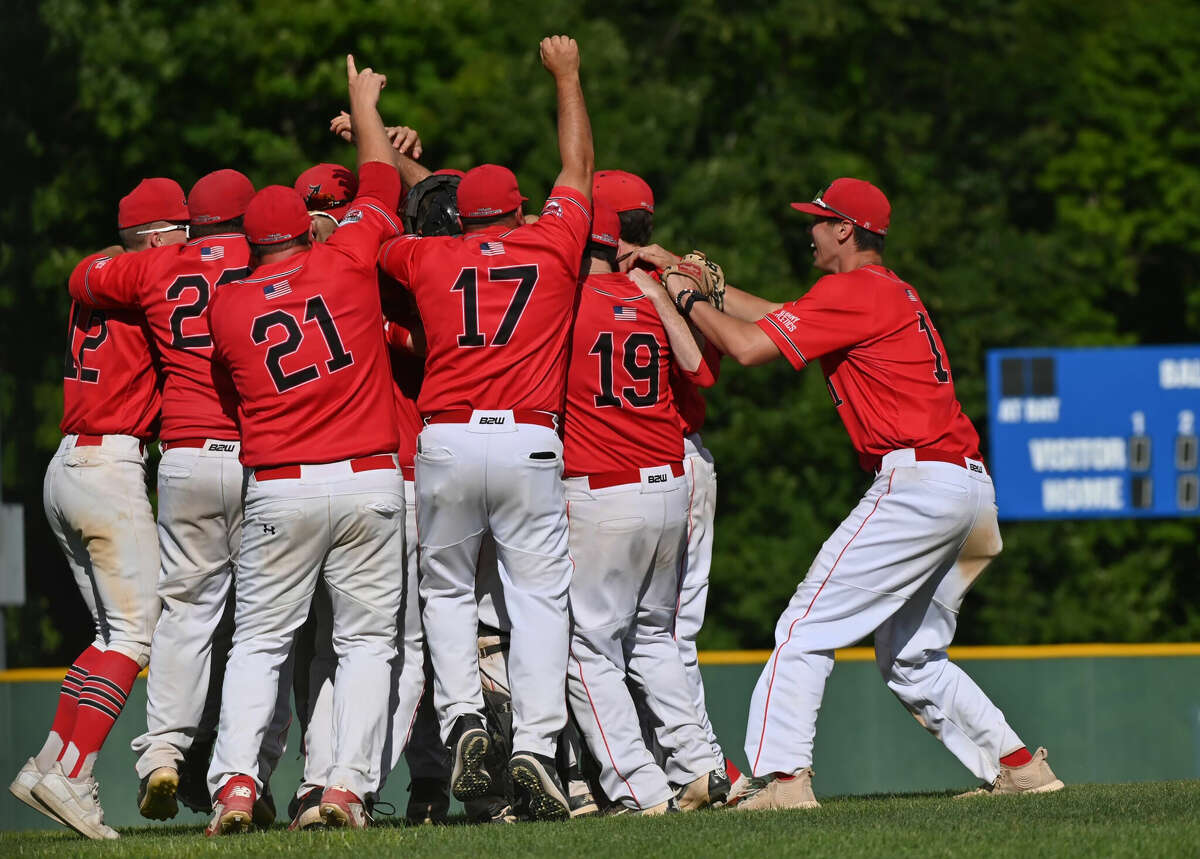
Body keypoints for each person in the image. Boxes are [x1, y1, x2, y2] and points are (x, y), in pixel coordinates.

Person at [634, 177, 1064, 810]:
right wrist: (697, 282)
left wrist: (684, 298)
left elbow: (750, 347)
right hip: (967, 488)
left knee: (803, 628)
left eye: (817, 221)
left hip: (919, 485)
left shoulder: (854, 290)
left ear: (844, 230)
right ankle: (1018, 765)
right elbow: (784, 318)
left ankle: (783, 780)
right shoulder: (883, 291)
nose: (808, 230)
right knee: (911, 654)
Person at [375, 34, 593, 821]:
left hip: (447, 440)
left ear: (459, 216)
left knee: (445, 590)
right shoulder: (553, 242)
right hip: (532, 440)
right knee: (539, 604)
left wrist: (374, 129)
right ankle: (535, 743)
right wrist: (567, 76)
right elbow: (576, 170)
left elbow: (381, 220)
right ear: (521, 209)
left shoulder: (428, 258)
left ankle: (465, 716)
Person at [203, 54, 412, 834]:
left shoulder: (229, 305)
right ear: (308, 227)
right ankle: (344, 791)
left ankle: (235, 787)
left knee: (258, 642)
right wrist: (363, 104)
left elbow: (230, 389)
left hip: (280, 483)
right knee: (363, 645)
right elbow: (381, 184)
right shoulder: (350, 258)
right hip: (367, 477)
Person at [67, 166, 290, 824]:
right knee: (262, 631)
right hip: (257, 457)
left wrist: (126, 250)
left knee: (185, 618)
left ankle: (161, 751)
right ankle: (248, 776)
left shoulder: (158, 264)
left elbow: (81, 277)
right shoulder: (265, 256)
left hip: (186, 454)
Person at [8, 179, 186, 840]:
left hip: (70, 462)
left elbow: (100, 268)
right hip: (108, 463)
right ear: (162, 235)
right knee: (137, 633)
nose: (190, 243)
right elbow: (160, 270)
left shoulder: (106, 272)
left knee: (112, 634)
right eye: (182, 231)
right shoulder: (147, 272)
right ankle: (75, 770)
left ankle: (52, 761)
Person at [562, 204, 722, 815]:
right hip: (668, 483)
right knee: (654, 637)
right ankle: (699, 764)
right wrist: (654, 289)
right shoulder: (646, 290)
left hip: (604, 487)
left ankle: (639, 786)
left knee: (588, 647)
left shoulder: (564, 298)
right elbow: (699, 372)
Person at [597, 170, 732, 781]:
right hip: (669, 467)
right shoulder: (675, 279)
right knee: (658, 633)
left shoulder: (600, 288)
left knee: (664, 633)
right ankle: (688, 761)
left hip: (655, 459)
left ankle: (697, 763)